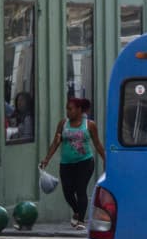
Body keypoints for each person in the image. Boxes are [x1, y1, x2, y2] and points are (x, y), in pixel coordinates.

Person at [41, 97, 106, 229]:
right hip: (66, 163)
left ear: (79, 110)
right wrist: (47, 159)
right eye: (67, 109)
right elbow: (56, 142)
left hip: (85, 162)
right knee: (68, 191)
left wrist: (106, 158)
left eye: (70, 109)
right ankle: (76, 211)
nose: (67, 112)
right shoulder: (63, 124)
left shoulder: (89, 125)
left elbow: (97, 144)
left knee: (80, 189)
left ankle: (81, 220)